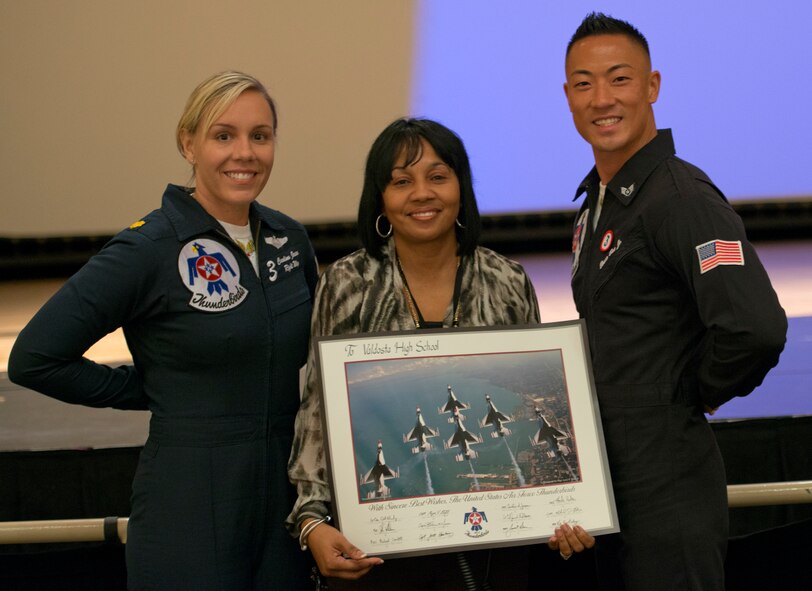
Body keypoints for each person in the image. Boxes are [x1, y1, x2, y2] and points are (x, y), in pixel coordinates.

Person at [8, 71, 318, 590]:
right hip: (189, 505)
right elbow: (34, 359)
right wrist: (148, 388)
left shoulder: (289, 239)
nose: (245, 152)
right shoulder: (147, 249)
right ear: (188, 144)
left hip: (284, 506)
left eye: (260, 136)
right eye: (224, 135)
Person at [286, 117, 593, 591]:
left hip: (496, 544)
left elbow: (536, 407)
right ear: (380, 199)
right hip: (380, 547)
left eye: (437, 176)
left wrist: (565, 507)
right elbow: (316, 412)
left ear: (461, 188)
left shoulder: (506, 281)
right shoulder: (347, 284)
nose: (422, 194)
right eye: (401, 181)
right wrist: (311, 519)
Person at [562, 13, 787, 590]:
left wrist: (690, 393)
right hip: (612, 484)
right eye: (584, 84)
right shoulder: (598, 204)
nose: (601, 99)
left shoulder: (682, 198)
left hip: (667, 486)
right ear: (568, 97)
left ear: (652, 86)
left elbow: (754, 328)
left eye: (619, 79)